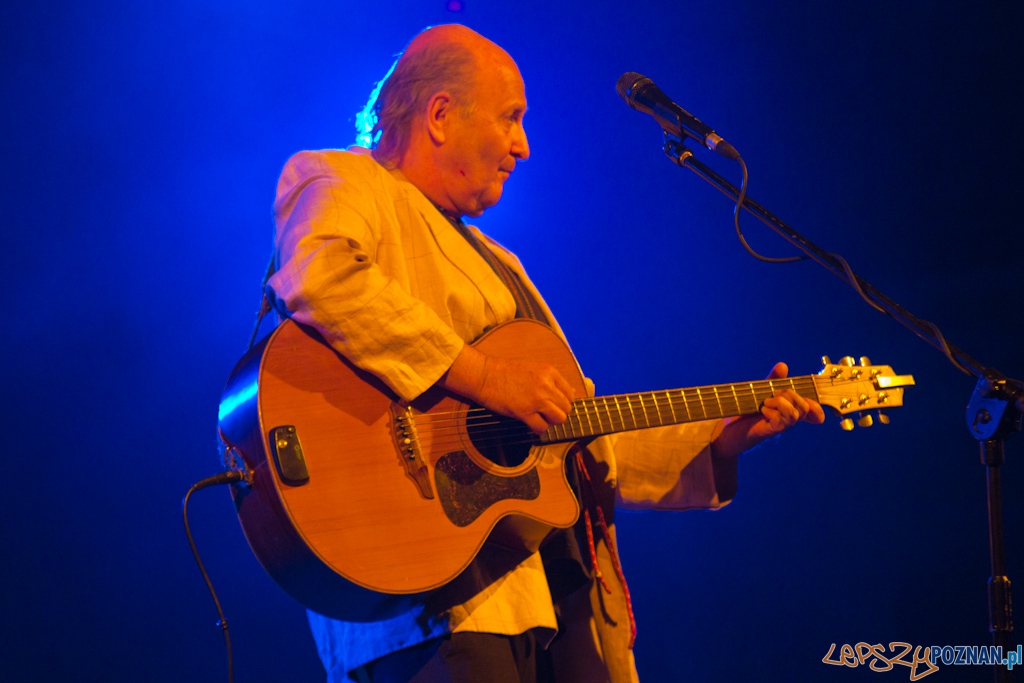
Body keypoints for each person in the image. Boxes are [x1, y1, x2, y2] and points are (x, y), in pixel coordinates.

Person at [266, 23, 824, 683]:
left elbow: (572, 434)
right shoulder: (345, 180)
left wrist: (722, 440)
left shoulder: (501, 262)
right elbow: (322, 278)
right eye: (511, 118)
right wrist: (486, 378)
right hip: (432, 602)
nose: (523, 146)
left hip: (554, 596)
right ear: (440, 115)